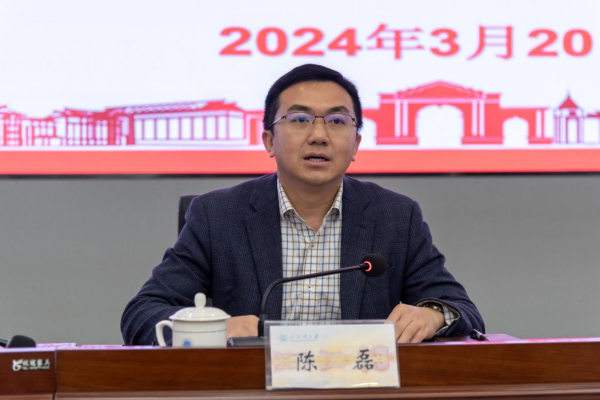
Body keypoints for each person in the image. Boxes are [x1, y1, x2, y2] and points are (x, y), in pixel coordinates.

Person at [121, 64, 484, 345]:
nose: (319, 135)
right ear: (269, 141)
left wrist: (433, 314)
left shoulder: (396, 216)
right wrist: (212, 330)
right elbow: (142, 315)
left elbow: (462, 311)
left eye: (337, 121)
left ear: (356, 144)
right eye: (299, 119)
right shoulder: (218, 216)